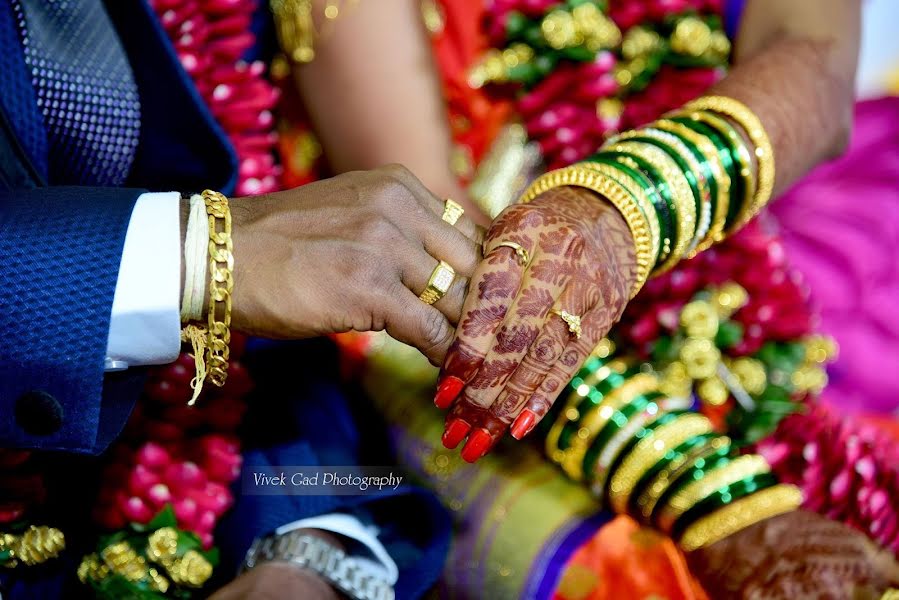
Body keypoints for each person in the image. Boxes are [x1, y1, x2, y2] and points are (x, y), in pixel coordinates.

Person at [273, 0, 899, 596]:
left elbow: (813, 60)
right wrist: (703, 491)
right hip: (448, 324)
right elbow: (422, 231)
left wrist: (619, 211)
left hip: (734, 288)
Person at [0, 1, 481, 598]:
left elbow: (279, 301)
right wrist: (198, 256)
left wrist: (306, 545)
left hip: (199, 500)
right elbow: (251, 256)